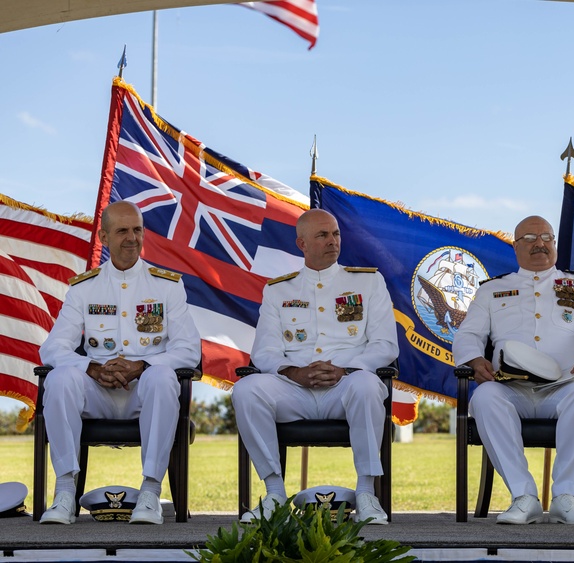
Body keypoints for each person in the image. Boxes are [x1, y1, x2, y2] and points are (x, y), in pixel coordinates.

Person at [37, 201, 200, 525]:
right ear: (104, 237)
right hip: (98, 393)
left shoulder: (167, 285)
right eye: (122, 230)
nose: (132, 238)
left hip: (145, 393)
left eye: (137, 229)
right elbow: (53, 348)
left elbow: (189, 350)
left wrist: (141, 365)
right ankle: (65, 493)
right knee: (59, 379)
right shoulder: (85, 287)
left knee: (161, 377)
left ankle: (151, 492)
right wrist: (91, 369)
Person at [232, 209, 397, 525]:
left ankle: (366, 493)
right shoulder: (279, 289)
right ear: (302, 243)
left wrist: (344, 369)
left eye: (335, 234)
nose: (332, 241)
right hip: (295, 389)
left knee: (366, 385)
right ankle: (275, 494)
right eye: (323, 235)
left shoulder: (368, 282)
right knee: (247, 389)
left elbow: (385, 346)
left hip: (346, 386)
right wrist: (295, 372)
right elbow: (264, 352)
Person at [452, 215, 574, 524]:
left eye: (546, 238)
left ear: (554, 244)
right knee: (484, 398)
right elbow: (468, 335)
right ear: (515, 247)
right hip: (511, 388)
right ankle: (523, 496)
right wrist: (474, 360)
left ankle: (566, 497)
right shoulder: (492, 290)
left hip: (564, 386)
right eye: (529, 239)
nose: (539, 244)